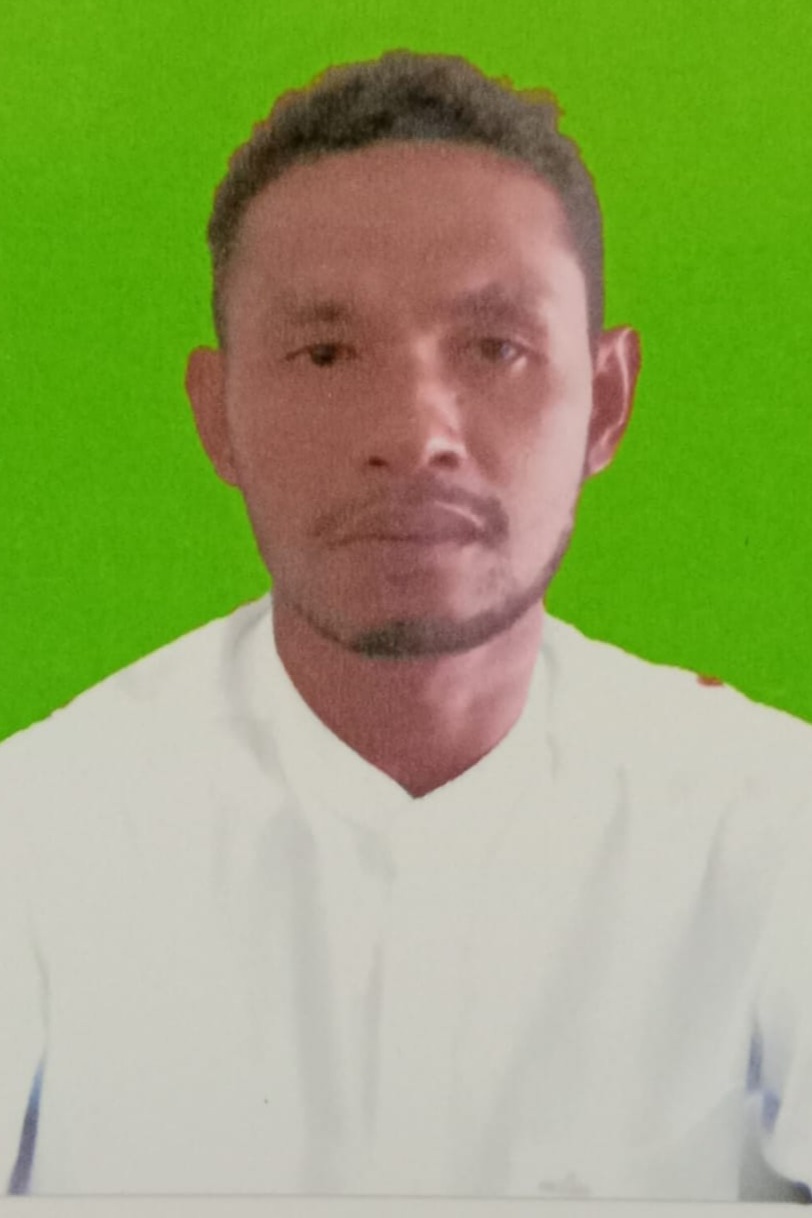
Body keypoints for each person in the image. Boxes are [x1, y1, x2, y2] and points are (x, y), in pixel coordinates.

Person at [2, 49, 812, 1202]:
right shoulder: (39, 837)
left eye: (495, 348)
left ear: (606, 400)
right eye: (326, 352)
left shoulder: (771, 827)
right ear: (216, 415)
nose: (414, 431)